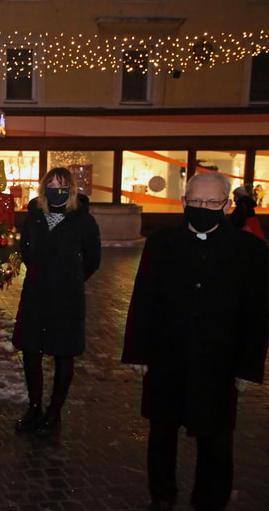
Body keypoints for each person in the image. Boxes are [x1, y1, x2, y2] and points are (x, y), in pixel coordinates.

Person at [122, 172, 269, 511]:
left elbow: (256, 312)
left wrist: (248, 366)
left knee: (216, 439)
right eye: (197, 201)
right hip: (166, 355)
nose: (204, 207)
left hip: (219, 360)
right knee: (161, 434)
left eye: (213, 202)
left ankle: (210, 500)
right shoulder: (161, 243)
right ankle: (161, 495)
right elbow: (143, 298)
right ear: (184, 202)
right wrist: (138, 352)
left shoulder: (249, 250)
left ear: (227, 204)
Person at [12, 167, 101, 436]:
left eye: (62, 185)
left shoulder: (83, 221)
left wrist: (69, 279)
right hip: (36, 294)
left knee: (63, 353)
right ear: (44, 188)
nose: (56, 189)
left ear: (71, 189)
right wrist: (42, 274)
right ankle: (35, 405)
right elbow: (26, 250)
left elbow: (92, 260)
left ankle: (55, 409)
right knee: (31, 350)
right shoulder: (34, 217)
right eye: (51, 184)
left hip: (66, 298)